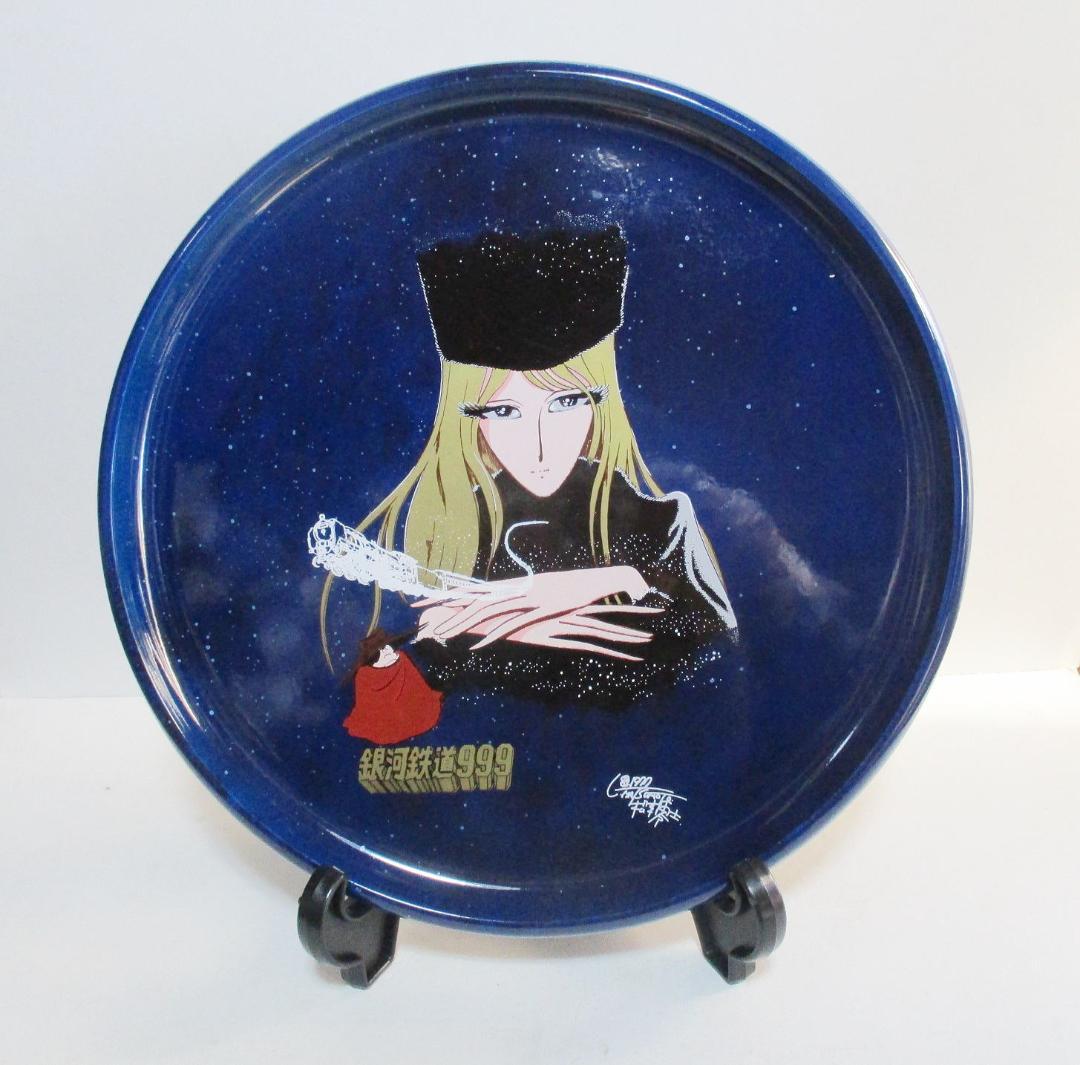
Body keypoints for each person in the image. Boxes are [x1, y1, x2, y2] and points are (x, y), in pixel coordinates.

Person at [321, 222, 737, 708]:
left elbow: (720, 676)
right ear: (465, 420)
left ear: (603, 404)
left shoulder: (663, 526)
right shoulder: (443, 539)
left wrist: (616, 580)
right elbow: (388, 707)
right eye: (502, 411)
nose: (539, 448)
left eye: (567, 402)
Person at [341, 627, 444, 744]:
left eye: (385, 646)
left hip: (412, 711)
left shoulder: (402, 658)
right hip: (383, 721)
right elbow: (367, 707)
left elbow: (419, 690)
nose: (385, 651)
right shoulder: (364, 675)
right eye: (379, 650)